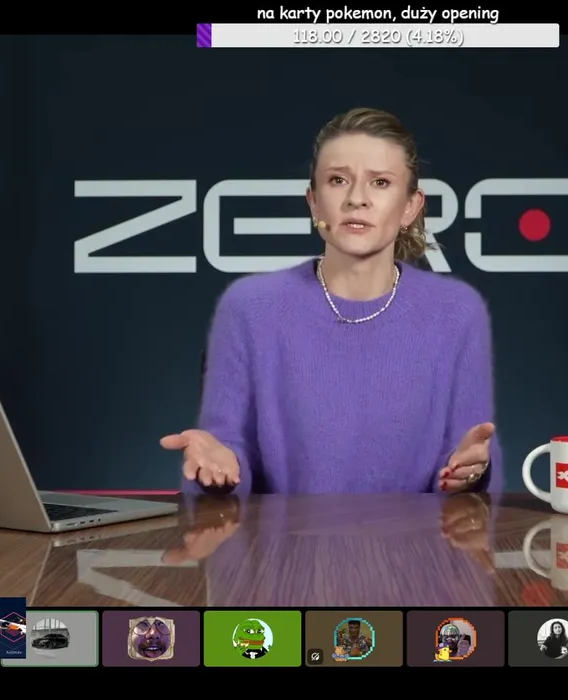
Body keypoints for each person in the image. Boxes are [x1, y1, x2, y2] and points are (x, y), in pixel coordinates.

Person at [160, 108, 501, 495]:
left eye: (380, 182)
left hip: (417, 536)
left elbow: (469, 459)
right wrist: (220, 470)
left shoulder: (457, 311)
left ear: (410, 206)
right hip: (285, 536)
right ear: (314, 202)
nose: (356, 199)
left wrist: (468, 475)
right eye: (338, 180)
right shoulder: (248, 307)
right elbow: (227, 453)